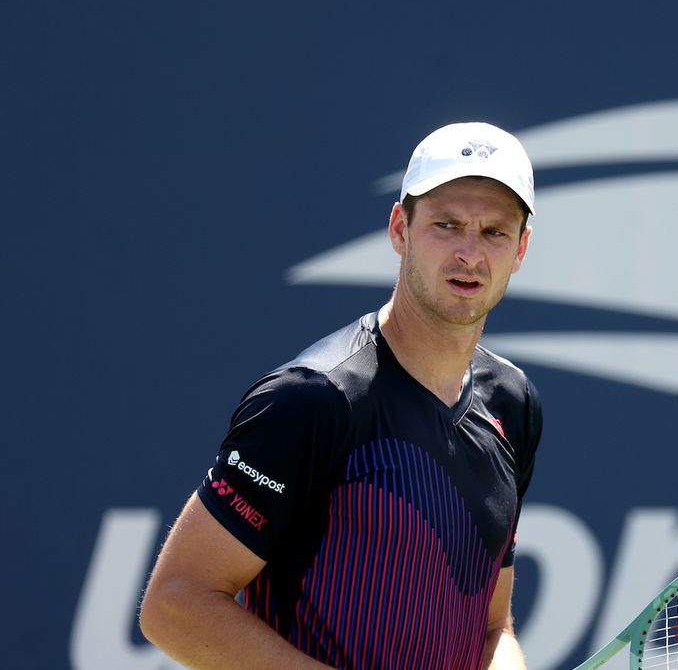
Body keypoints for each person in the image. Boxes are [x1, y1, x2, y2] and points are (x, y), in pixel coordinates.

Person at [140, 122, 543, 669]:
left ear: (520, 249)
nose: (470, 253)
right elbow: (174, 605)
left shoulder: (512, 404)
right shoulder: (311, 400)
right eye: (446, 225)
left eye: (494, 232)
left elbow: (493, 626)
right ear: (400, 229)